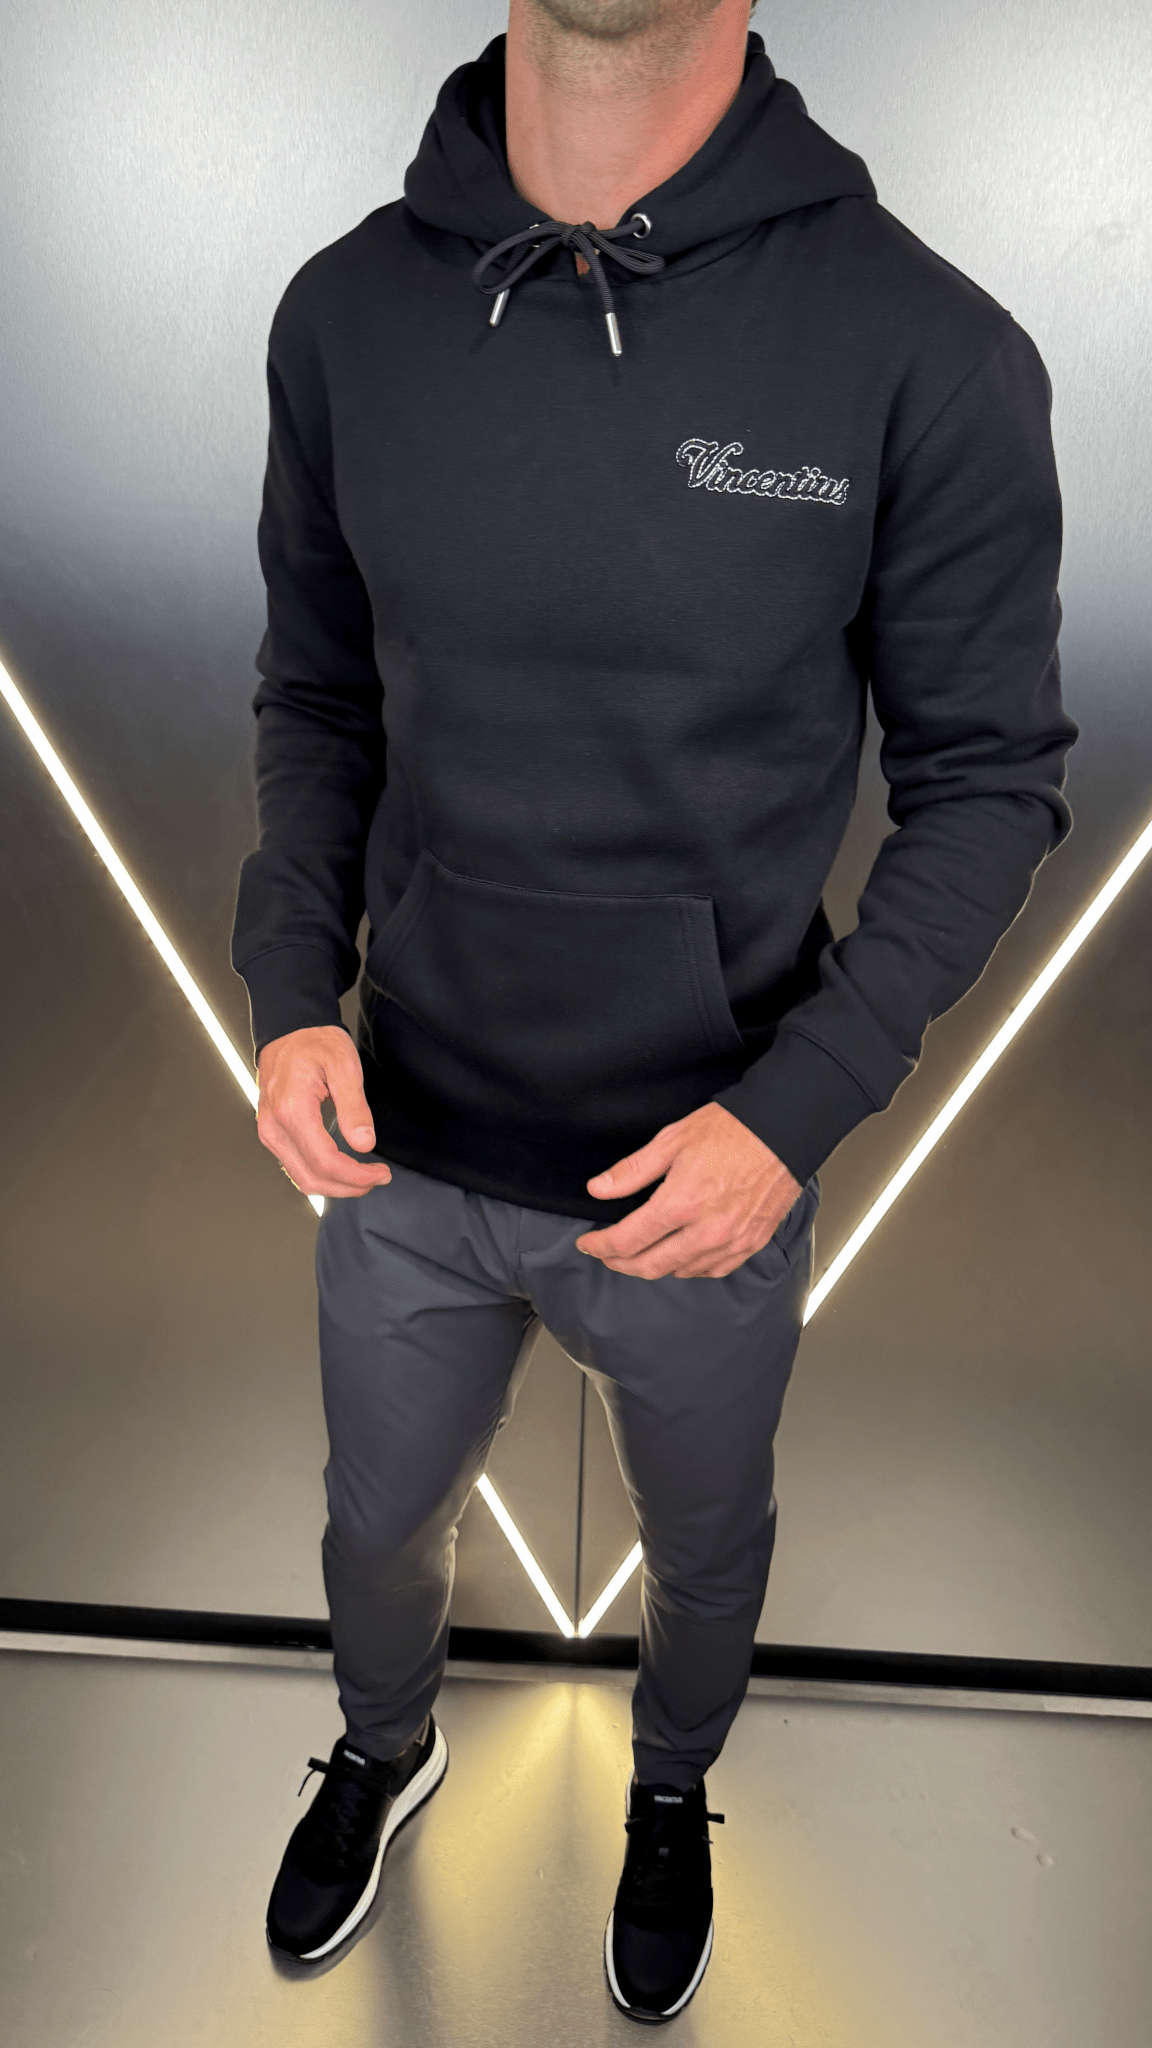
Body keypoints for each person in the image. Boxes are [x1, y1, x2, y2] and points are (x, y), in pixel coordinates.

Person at [231, 0, 1077, 2021]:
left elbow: (990, 782)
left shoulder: (925, 348)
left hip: (706, 1173)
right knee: (374, 1527)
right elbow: (317, 697)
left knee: (706, 1559)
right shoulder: (346, 316)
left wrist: (796, 1110)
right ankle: (383, 1745)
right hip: (405, 1148)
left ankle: (673, 1785)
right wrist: (288, 991)